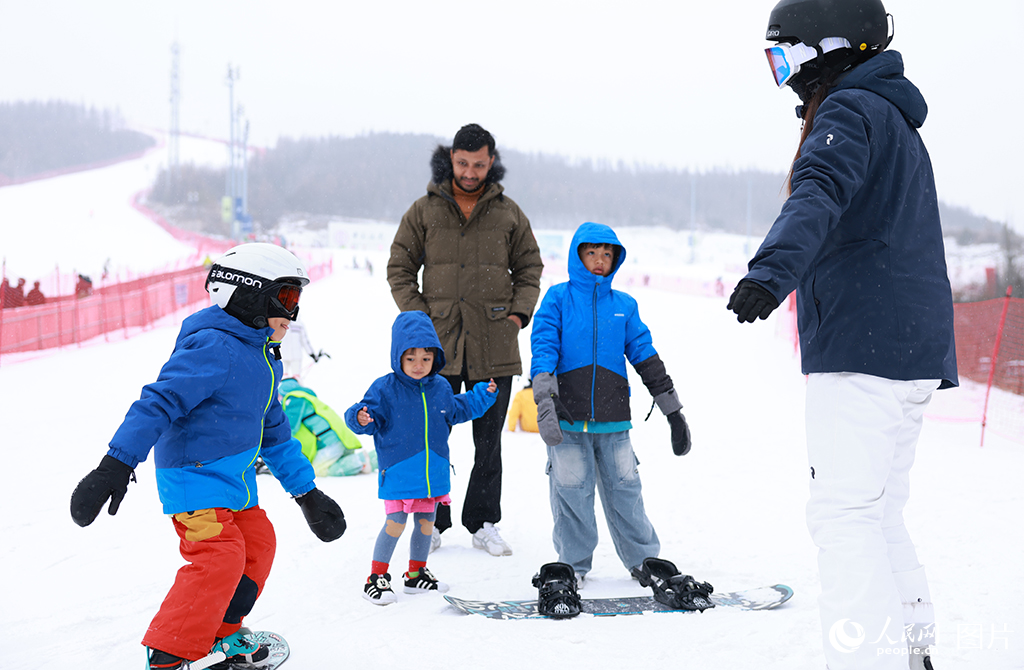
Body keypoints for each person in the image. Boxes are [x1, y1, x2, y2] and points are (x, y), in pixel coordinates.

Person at [728, 2, 957, 668]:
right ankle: (913, 649)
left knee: (844, 516)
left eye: (785, 58)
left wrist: (771, 274)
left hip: (862, 349)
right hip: (906, 350)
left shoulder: (850, 112)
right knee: (877, 510)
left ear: (831, 47)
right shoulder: (893, 119)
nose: (785, 78)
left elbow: (818, 190)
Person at [69, 243, 347, 670]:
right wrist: (115, 465)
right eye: (286, 299)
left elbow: (275, 435)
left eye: (296, 301)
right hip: (194, 478)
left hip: (234, 482)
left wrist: (308, 494)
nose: (291, 315)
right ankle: (168, 654)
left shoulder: (263, 359)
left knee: (258, 545)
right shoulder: (213, 347)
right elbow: (157, 404)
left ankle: (222, 631)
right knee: (220, 557)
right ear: (249, 295)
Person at [387, 123, 543, 556]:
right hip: (436, 350)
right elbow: (399, 267)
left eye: (478, 164)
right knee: (430, 437)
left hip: (495, 345)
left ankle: (484, 522)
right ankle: (430, 520)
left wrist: (516, 314)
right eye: (463, 163)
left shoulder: (509, 213)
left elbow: (530, 268)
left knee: (488, 442)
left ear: (491, 162)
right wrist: (419, 319)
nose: (470, 172)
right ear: (450, 159)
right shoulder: (424, 210)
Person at [530, 222, 692, 583]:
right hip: (568, 419)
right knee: (572, 496)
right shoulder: (557, 299)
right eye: (592, 253)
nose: (600, 261)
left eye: (607, 254)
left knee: (626, 493)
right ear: (577, 256)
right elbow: (543, 349)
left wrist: (673, 410)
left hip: (614, 421)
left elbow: (644, 354)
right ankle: (572, 565)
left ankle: (644, 561)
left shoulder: (624, 305)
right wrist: (545, 399)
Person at [344, 311, 497, 605]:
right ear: (398, 356)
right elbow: (366, 416)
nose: (418, 365)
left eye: (426, 359)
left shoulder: (440, 387)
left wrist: (483, 395)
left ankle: (416, 574)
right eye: (411, 358)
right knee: (395, 524)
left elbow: (459, 409)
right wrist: (360, 417)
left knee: (427, 524)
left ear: (435, 358)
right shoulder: (385, 388)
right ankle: (376, 578)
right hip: (400, 471)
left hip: (432, 473)